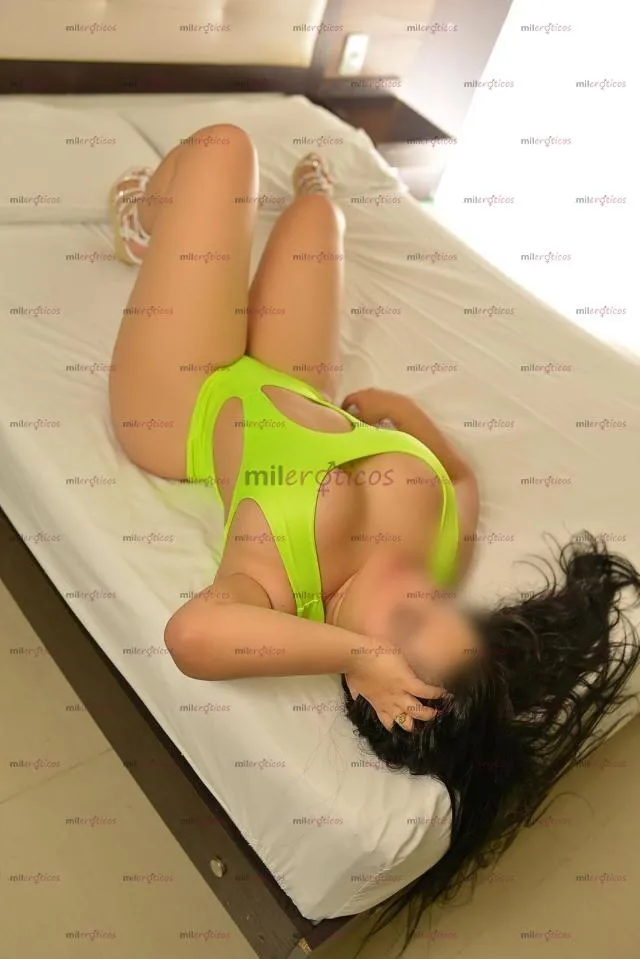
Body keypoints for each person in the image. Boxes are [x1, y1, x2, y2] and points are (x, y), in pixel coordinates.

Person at [108, 124, 640, 953]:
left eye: (409, 627)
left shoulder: (282, 591)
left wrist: (356, 651)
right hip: (298, 382)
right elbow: (460, 484)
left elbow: (191, 637)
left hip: (186, 408)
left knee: (224, 152)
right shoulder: (438, 558)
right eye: (453, 618)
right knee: (318, 215)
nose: (429, 598)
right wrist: (411, 419)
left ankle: (143, 219)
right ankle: (305, 194)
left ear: (362, 678)